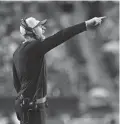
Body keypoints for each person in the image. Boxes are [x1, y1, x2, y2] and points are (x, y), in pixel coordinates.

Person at [12, 16, 106, 124]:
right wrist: (85, 25)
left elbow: (16, 83)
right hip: (33, 107)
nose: (42, 29)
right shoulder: (34, 47)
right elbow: (60, 36)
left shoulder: (17, 52)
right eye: (38, 26)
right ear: (31, 31)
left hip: (25, 104)